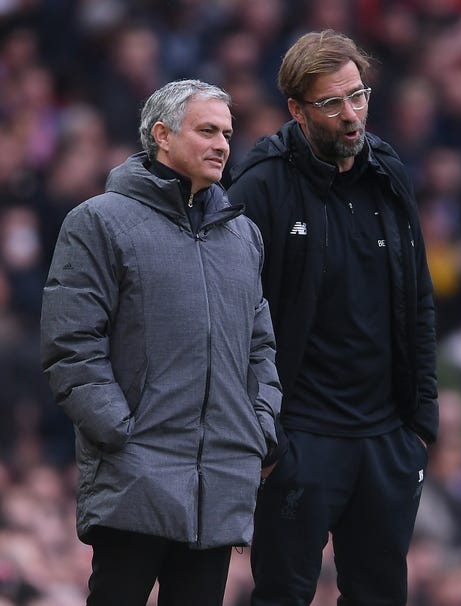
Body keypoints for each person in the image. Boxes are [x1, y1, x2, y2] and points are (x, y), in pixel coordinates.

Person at [40, 79, 282, 606]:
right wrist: (121, 434)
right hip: (135, 474)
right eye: (207, 131)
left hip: (219, 478)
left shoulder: (243, 236)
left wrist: (258, 426)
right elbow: (72, 344)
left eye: (226, 133)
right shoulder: (98, 221)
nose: (222, 144)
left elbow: (260, 348)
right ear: (162, 135)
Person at [228, 30, 439, 605]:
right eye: (332, 103)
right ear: (297, 110)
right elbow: (233, 322)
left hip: (386, 440)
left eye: (359, 95)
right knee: (281, 596)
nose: (352, 115)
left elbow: (418, 297)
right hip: (299, 438)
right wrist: (267, 441)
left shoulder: (390, 173)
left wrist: (420, 424)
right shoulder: (261, 184)